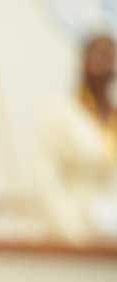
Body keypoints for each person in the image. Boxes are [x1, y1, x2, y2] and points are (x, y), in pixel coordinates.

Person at [37, 32, 117, 242]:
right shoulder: (62, 112)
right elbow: (45, 178)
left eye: (110, 57)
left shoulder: (113, 117)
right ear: (83, 62)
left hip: (110, 241)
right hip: (72, 236)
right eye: (98, 55)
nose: (104, 63)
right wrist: (71, 232)